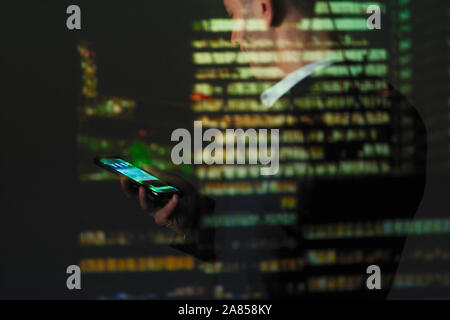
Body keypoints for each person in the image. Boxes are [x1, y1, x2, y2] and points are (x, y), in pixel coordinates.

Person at [121, 0, 427, 298]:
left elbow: (258, 272)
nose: (234, 35)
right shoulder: (395, 111)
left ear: (265, 9)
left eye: (236, 15)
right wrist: (194, 219)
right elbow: (287, 238)